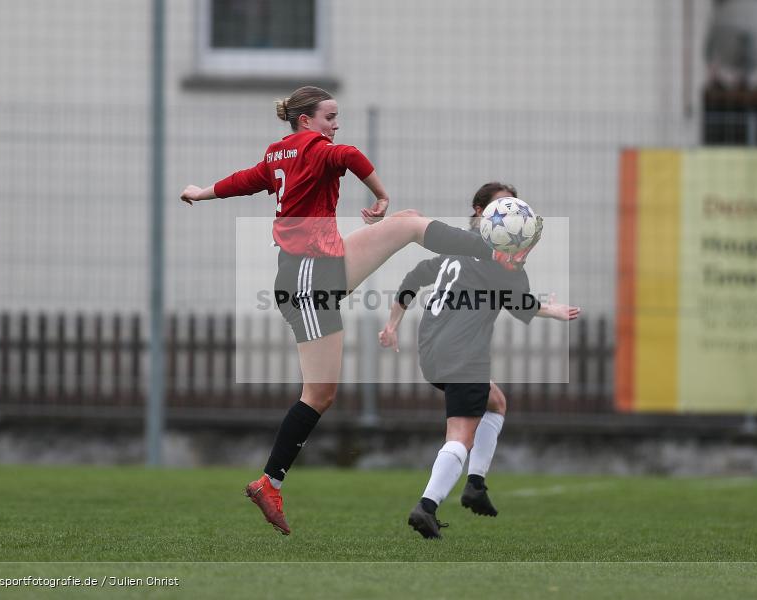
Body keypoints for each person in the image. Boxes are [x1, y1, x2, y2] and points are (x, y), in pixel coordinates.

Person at [180, 86, 499, 536]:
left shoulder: (278, 153)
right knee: (319, 394)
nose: (335, 124)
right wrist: (380, 194)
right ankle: (269, 483)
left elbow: (244, 180)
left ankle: (486, 248)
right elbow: (348, 155)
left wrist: (202, 192)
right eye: (329, 116)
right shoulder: (317, 147)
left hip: (316, 266)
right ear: (306, 120)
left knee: (407, 222)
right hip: (309, 280)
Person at [378, 183, 581, 539]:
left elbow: (414, 278)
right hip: (464, 355)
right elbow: (519, 304)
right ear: (481, 212)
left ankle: (475, 484)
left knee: (495, 402)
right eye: (502, 208)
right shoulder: (497, 261)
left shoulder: (457, 251)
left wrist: (392, 325)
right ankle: (427, 506)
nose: (510, 216)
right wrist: (552, 309)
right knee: (460, 435)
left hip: (432, 351)